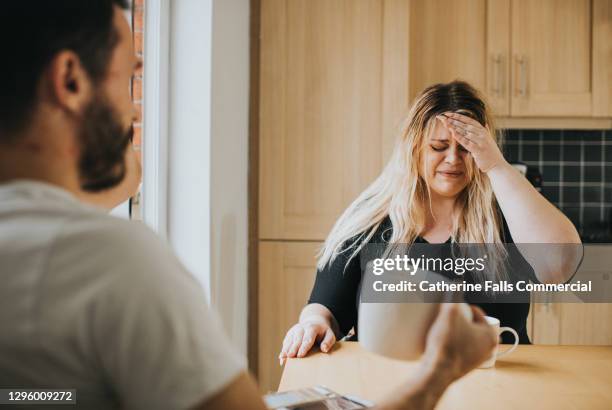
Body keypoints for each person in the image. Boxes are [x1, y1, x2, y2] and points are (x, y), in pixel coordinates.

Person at [0, 2, 497, 409]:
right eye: (129, 78)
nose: (134, 108)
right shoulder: (107, 261)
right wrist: (440, 372)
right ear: (69, 81)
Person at [279, 81, 582, 362]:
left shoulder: (507, 215)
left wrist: (497, 166)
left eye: (466, 148)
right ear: (414, 148)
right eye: (439, 147)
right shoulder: (371, 219)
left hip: (497, 388)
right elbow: (326, 307)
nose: (453, 159)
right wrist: (313, 324)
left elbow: (559, 265)